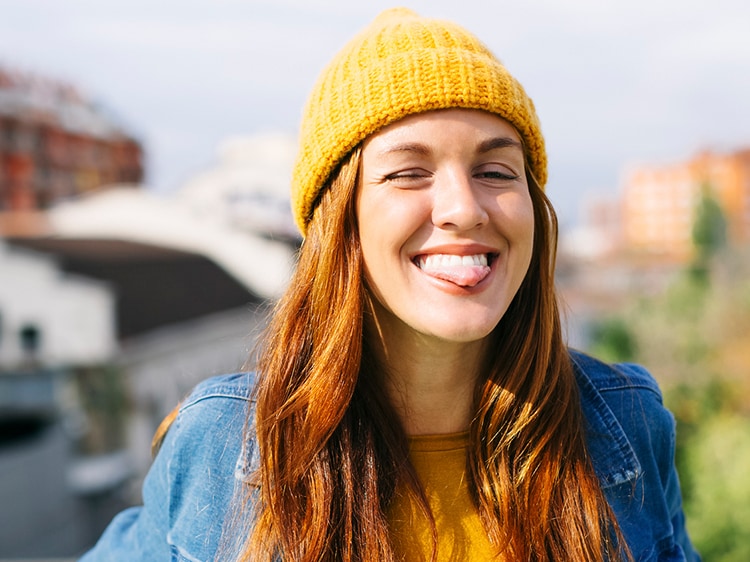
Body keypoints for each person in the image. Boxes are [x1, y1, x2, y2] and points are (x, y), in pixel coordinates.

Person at [80, 8, 700, 562]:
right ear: (340, 220)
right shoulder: (222, 445)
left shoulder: (625, 423)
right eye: (408, 172)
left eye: (494, 169)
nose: (463, 208)